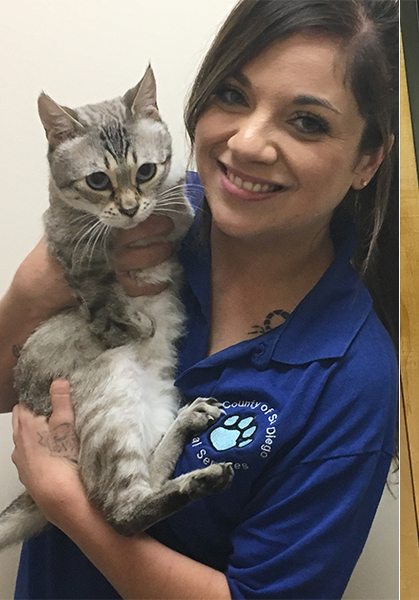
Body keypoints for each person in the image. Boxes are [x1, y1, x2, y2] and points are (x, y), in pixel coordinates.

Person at [1, 1, 398, 598]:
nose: (247, 142)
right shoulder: (141, 220)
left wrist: (69, 506)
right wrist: (28, 294)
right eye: (234, 95)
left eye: (307, 122)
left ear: (367, 159)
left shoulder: (350, 378)